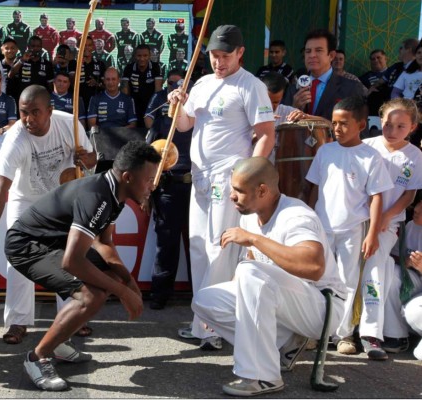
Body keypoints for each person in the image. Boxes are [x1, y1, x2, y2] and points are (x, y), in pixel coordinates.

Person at [3, 140, 159, 391]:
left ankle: (59, 342)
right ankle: (37, 357)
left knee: (107, 279)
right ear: (128, 177)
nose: (153, 185)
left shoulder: (115, 191)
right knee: (91, 295)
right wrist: (123, 293)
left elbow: (104, 242)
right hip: (26, 245)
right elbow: (72, 261)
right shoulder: (97, 197)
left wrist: (129, 282)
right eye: (149, 179)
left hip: (55, 243)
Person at [192, 157, 346, 396]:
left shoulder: (295, 215)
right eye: (233, 188)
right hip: (286, 303)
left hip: (321, 306)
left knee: (249, 272)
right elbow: (254, 267)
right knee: (205, 301)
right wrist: (228, 306)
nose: (232, 195)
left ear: (262, 190)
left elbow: (314, 266)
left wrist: (254, 239)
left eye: (239, 191)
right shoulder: (249, 215)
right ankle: (283, 345)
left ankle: (262, 376)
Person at [168, 25, 275, 350]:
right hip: (199, 177)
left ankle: (214, 324)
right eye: (214, 56)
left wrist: (249, 178)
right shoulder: (201, 83)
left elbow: (266, 134)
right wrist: (176, 104)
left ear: (240, 53)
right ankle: (201, 320)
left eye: (225, 56)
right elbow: (185, 123)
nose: (219, 62)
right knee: (199, 246)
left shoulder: (251, 86)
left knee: (221, 249)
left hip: (229, 180)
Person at [0, 84, 96, 348]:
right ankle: (18, 321)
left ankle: (72, 316)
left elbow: (93, 161)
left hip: (60, 200)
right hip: (24, 201)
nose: (28, 119)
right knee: (18, 259)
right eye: (23, 112)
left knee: (68, 258)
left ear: (50, 111)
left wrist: (85, 158)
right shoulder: (15, 139)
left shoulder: (69, 125)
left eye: (35, 112)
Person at [306, 96, 394, 355]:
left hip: (353, 229)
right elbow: (314, 188)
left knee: (347, 281)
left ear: (362, 125)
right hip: (322, 228)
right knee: (316, 278)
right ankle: (313, 331)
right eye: (334, 123)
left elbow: (376, 197)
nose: (337, 129)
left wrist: (373, 234)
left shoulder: (371, 156)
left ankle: (343, 334)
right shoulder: (325, 151)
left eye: (344, 123)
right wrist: (309, 220)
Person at [360, 98, 422, 359]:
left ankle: (371, 334)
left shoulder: (415, 155)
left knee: (375, 268)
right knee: (350, 271)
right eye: (387, 124)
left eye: (400, 126)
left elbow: (409, 195)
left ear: (413, 127)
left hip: (388, 224)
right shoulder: (366, 146)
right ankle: (338, 331)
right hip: (358, 220)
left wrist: (386, 216)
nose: (392, 131)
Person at [145, 70, 193, 310]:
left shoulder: (203, 121)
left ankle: (202, 296)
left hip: (198, 187)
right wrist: (148, 191)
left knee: (201, 244)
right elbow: (148, 155)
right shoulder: (163, 122)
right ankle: (160, 294)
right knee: (167, 243)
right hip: (170, 187)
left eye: (185, 94)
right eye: (177, 93)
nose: (180, 98)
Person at [282, 29, 365, 120]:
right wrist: (294, 108)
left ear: (332, 55)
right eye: (308, 51)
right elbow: (281, 127)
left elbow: (360, 130)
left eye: (318, 50)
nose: (312, 55)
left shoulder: (351, 88)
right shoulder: (293, 90)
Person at [383, 200, 422, 360]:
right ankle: (396, 335)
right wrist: (407, 262)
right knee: (390, 272)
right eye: (419, 203)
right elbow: (394, 255)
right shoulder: (411, 226)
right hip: (415, 281)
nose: (417, 209)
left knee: (414, 311)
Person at [121, 44, 163, 127]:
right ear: (135, 56)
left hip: (150, 106)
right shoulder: (128, 68)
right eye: (139, 56)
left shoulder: (156, 67)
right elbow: (125, 91)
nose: (142, 59)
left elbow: (158, 91)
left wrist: (152, 109)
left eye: (145, 55)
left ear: (150, 56)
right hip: (133, 106)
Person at [68, 35, 105, 114]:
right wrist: (80, 64)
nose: (86, 48)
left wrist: (96, 84)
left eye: (89, 45)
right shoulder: (73, 63)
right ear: (78, 46)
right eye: (84, 45)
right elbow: (71, 84)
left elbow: (105, 87)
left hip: (95, 103)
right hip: (77, 102)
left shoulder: (100, 64)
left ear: (93, 47)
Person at [360, 49, 390, 116]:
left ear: (385, 59)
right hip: (372, 113)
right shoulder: (364, 78)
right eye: (373, 59)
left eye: (378, 57)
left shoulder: (394, 73)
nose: (376, 60)